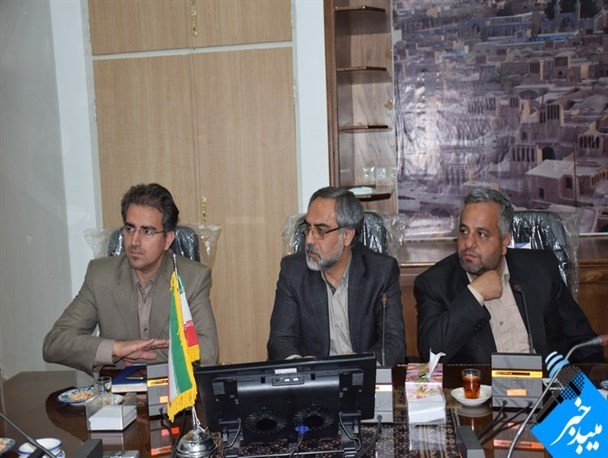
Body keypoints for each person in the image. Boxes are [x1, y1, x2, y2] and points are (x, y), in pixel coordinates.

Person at [43, 183, 219, 375]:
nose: (134, 241)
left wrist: (137, 354)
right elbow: (55, 343)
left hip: (172, 388)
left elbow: (207, 351)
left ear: (168, 240)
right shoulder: (99, 276)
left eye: (147, 231)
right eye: (129, 228)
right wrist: (116, 349)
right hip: (117, 389)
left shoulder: (192, 278)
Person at [415, 187, 602, 364]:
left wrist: (576, 385)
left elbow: (585, 343)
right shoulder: (435, 283)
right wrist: (474, 294)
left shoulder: (540, 269)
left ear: (505, 242)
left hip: (546, 383)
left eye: (481, 234)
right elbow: (431, 354)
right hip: (482, 386)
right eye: (464, 231)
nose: (468, 243)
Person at [267, 186, 406, 367]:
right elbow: (280, 340)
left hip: (363, 375)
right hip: (314, 378)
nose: (309, 240)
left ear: (347, 235)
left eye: (320, 231)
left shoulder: (381, 272)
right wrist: (301, 366)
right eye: (308, 228)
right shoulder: (293, 271)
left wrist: (361, 363)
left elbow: (394, 343)